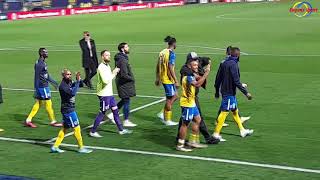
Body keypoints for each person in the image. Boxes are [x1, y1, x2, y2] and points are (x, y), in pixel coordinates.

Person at [177, 52, 219, 144]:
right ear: (189, 61)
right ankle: (207, 138)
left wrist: (208, 64)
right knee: (194, 119)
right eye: (194, 60)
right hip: (189, 98)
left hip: (192, 97)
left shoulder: (196, 63)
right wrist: (205, 74)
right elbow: (197, 81)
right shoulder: (185, 70)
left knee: (189, 119)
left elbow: (208, 59)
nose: (197, 61)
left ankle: (184, 139)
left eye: (197, 60)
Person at [213, 47, 254, 142]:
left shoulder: (224, 63)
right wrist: (246, 92)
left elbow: (218, 78)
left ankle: (242, 130)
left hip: (225, 91)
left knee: (235, 110)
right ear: (238, 55)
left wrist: (216, 91)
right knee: (224, 112)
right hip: (229, 92)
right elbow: (236, 81)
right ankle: (216, 134)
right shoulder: (234, 64)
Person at [90, 50, 132, 138]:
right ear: (102, 57)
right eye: (106, 55)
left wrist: (113, 73)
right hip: (104, 94)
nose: (109, 57)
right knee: (102, 112)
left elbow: (108, 78)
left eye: (109, 55)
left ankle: (121, 130)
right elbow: (106, 81)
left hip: (109, 94)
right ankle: (93, 131)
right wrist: (114, 73)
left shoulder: (107, 66)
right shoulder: (101, 67)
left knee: (115, 111)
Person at [51, 69, 92, 153]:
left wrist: (79, 79)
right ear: (63, 75)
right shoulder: (63, 86)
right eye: (67, 74)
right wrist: (77, 82)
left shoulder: (69, 82)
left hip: (67, 109)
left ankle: (55, 146)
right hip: (68, 111)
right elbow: (72, 93)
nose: (69, 76)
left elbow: (80, 85)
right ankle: (81, 148)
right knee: (77, 128)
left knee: (65, 128)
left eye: (70, 74)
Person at [25, 48, 62, 128]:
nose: (47, 53)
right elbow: (37, 77)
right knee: (48, 103)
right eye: (45, 52)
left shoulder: (41, 63)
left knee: (39, 103)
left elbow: (46, 75)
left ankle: (28, 120)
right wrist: (37, 88)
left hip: (42, 86)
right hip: (42, 87)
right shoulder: (40, 64)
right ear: (42, 53)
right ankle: (53, 121)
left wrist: (54, 83)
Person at [155, 36, 179, 126]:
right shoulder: (171, 53)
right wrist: (175, 80)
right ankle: (167, 119)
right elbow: (170, 68)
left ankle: (163, 113)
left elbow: (158, 65)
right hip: (168, 79)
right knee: (170, 99)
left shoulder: (162, 52)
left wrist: (157, 77)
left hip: (163, 78)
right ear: (174, 44)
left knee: (175, 96)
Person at [113, 42, 137, 127]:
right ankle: (126, 120)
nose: (128, 48)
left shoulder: (122, 58)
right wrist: (132, 79)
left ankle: (112, 114)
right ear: (122, 49)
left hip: (122, 83)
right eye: (127, 47)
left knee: (124, 100)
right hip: (123, 83)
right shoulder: (122, 59)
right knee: (126, 101)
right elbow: (124, 74)